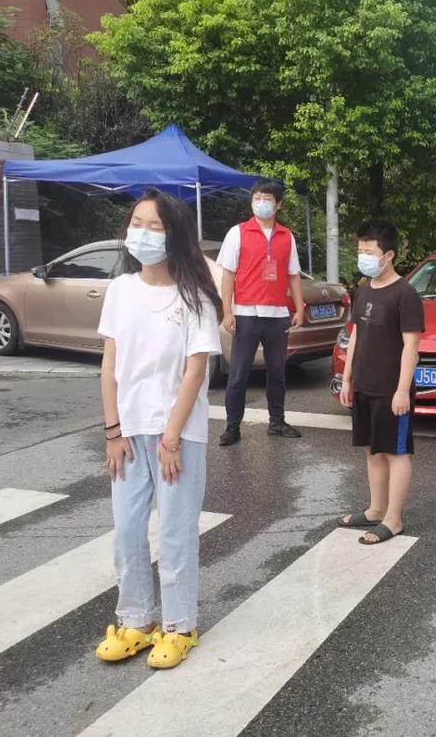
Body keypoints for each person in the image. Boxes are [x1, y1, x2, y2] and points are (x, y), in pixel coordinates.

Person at [96, 189, 222, 669]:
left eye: (155, 226)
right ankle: (135, 621)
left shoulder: (194, 297)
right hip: (128, 433)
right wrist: (113, 431)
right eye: (136, 223)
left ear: (175, 236)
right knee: (127, 530)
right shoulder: (121, 290)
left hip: (178, 435)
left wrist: (171, 437)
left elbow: (195, 372)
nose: (142, 234)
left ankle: (179, 626)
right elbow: (110, 366)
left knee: (174, 532)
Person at [338, 219, 424, 544]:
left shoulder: (405, 294)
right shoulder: (363, 290)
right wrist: (347, 378)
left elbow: (411, 347)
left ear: (388, 255)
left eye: (370, 252)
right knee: (373, 451)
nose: (363, 257)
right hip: (364, 384)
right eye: (360, 250)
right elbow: (356, 336)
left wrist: (402, 390)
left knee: (396, 453)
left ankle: (394, 518)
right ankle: (375, 510)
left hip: (391, 390)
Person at [217, 179, 305, 446]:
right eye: (257, 198)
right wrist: (227, 311)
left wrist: (299, 307)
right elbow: (228, 274)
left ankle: (277, 422)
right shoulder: (238, 232)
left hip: (277, 314)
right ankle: (232, 427)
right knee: (239, 373)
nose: (261, 203)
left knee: (277, 372)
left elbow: (293, 275)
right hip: (246, 312)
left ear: (278, 205)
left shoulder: (286, 236)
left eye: (267, 199)